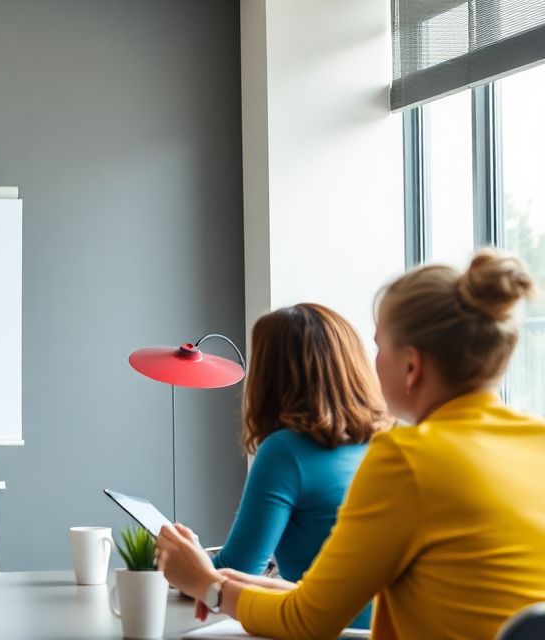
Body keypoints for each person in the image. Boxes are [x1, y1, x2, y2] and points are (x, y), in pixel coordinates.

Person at [158, 249, 545, 640]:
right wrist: (235, 583)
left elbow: (307, 622)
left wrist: (209, 586)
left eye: (379, 347)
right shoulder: (537, 442)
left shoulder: (405, 456)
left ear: (411, 367)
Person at [209, 303, 391, 630]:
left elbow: (236, 571)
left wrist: (179, 562)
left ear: (270, 376)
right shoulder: (391, 443)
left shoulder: (284, 451)